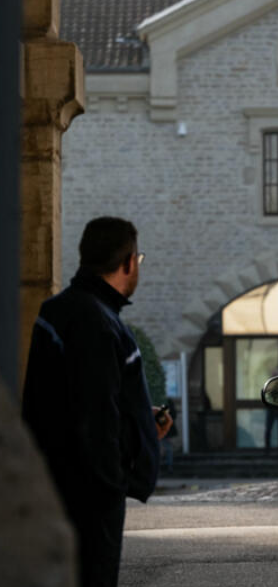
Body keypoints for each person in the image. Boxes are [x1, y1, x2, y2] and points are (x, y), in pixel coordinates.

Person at [22, 217, 172, 587]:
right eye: (138, 259)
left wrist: (141, 423)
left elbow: (75, 400)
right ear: (128, 262)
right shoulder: (100, 324)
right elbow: (95, 416)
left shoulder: (57, 312)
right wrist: (114, 483)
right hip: (90, 499)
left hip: (57, 485)